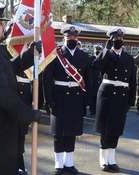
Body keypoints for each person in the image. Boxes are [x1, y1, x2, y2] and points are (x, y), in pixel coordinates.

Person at [0, 5, 41, 175]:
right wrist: (28, 115)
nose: (4, 27)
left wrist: (29, 55)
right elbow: (2, 93)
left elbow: (8, 69)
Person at [43, 25, 91, 175]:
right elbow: (46, 78)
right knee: (58, 132)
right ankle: (58, 162)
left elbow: (88, 79)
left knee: (72, 131)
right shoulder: (55, 54)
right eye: (69, 37)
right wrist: (48, 99)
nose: (71, 39)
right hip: (58, 96)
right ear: (63, 38)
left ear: (77, 39)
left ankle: (69, 162)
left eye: (74, 37)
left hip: (76, 97)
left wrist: (87, 100)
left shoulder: (84, 56)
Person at [92, 27, 136, 172]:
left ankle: (112, 159)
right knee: (105, 128)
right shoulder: (106, 55)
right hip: (107, 94)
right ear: (111, 40)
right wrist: (106, 50)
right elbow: (96, 66)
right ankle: (103, 160)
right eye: (115, 39)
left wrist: (131, 100)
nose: (118, 41)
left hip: (121, 95)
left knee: (116, 128)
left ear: (123, 40)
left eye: (120, 39)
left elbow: (132, 81)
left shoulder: (129, 59)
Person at [89, 44, 103, 115]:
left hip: (100, 80)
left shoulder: (102, 59)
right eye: (96, 50)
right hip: (92, 79)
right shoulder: (91, 59)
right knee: (92, 96)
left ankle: (98, 109)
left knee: (99, 96)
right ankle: (92, 109)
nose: (97, 51)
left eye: (99, 50)